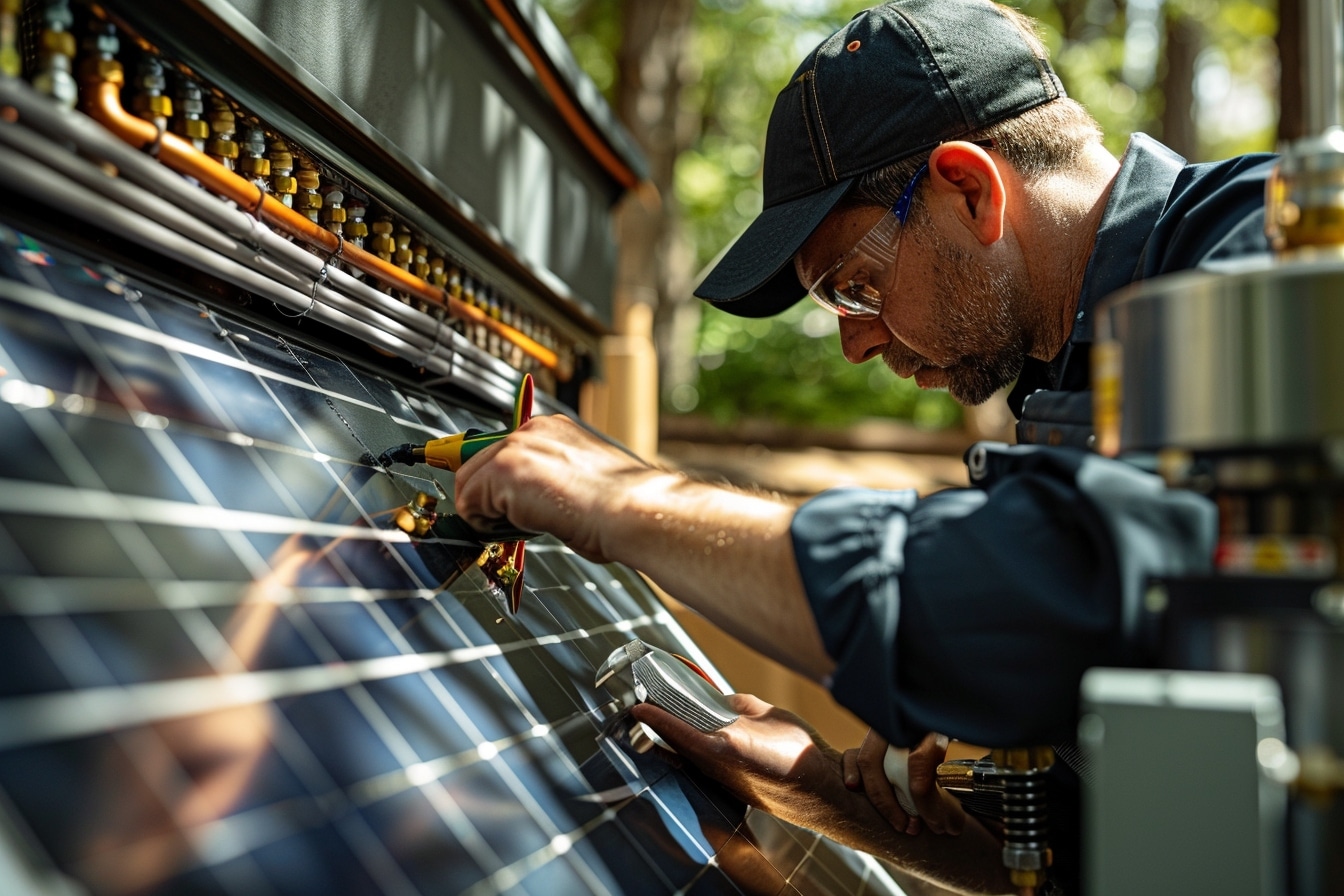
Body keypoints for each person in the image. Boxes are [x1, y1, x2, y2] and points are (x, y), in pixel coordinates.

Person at [454, 0, 1278, 891]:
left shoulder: (1267, 255)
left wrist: (621, 501)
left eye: (855, 286)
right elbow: (1126, 844)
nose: (855, 342)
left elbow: (1063, 595)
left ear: (970, 188)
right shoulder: (1068, 381)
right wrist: (815, 789)